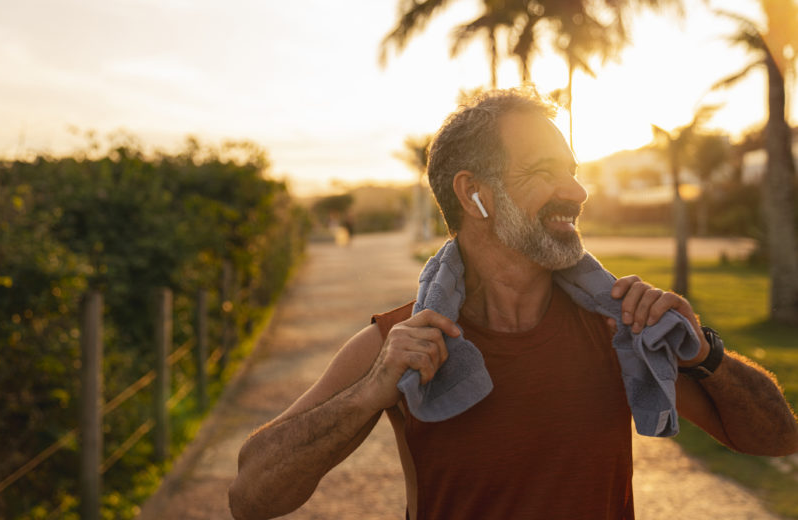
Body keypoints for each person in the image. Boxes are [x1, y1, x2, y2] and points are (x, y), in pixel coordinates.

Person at [228, 87, 798, 520]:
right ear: (474, 193)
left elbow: (776, 438)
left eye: (573, 173)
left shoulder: (619, 326)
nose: (577, 192)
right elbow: (250, 495)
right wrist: (368, 393)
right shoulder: (399, 342)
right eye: (545, 173)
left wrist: (704, 353)